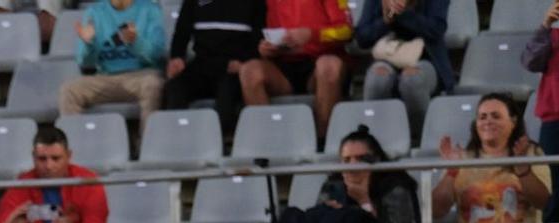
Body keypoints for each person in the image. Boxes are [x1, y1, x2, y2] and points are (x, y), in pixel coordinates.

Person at [235, 0, 350, 137]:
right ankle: (268, 142)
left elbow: (347, 31)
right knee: (249, 71)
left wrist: (312, 35)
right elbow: (257, 34)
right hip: (282, 66)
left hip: (320, 62)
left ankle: (323, 141)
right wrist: (265, 48)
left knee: (329, 65)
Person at [432, 93, 549, 223]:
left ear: (513, 122)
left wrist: (523, 170)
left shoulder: (530, 154)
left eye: (496, 116)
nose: (488, 121)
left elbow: (543, 203)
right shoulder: (461, 159)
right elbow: (436, 211)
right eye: (482, 117)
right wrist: (451, 172)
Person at [276, 128, 420, 223]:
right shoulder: (334, 184)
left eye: (361, 158)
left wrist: (364, 201)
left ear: (376, 159)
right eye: (347, 159)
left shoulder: (395, 186)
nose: (353, 165)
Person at [0, 126, 107, 223]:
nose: (48, 166)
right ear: (33, 156)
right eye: (42, 159)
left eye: (56, 159)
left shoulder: (87, 182)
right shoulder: (21, 186)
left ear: (69, 156)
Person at [352, 0, 452, 135]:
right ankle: (373, 139)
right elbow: (362, 38)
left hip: (426, 58)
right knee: (377, 79)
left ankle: (420, 139)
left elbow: (436, 29)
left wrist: (403, 14)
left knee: (412, 80)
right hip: (388, 56)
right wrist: (386, 21)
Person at [61, 0, 168, 120]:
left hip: (140, 76)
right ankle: (73, 137)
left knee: (152, 84)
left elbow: (156, 54)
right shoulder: (94, 12)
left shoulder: (150, 10)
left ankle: (149, 138)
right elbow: (84, 62)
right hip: (105, 77)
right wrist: (88, 44)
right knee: (69, 90)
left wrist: (136, 42)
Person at [163, 0, 260, 119]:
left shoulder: (254, 2)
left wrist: (245, 63)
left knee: (227, 97)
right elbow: (181, 33)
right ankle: (177, 134)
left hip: (233, 68)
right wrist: (176, 57)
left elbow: (258, 39)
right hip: (202, 65)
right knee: (175, 87)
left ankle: (220, 135)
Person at [530, 6, 559, 223]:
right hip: (554, 122)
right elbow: (529, 62)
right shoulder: (552, 36)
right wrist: (545, 25)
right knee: (554, 189)